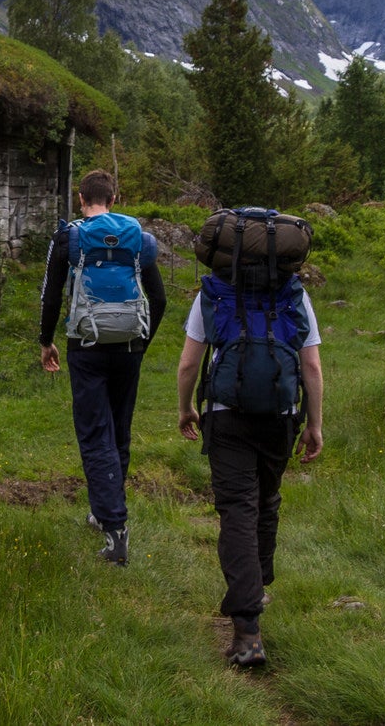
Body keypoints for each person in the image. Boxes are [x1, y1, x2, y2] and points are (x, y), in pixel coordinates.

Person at [175, 256, 324, 669]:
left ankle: (247, 630)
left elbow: (189, 363)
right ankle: (258, 585)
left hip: (226, 416)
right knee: (266, 499)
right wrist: (314, 424)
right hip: (280, 417)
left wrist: (186, 408)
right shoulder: (293, 292)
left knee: (238, 509)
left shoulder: (213, 291)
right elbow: (311, 364)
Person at [38, 169, 165, 566]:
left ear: (81, 199)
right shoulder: (137, 239)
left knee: (96, 434)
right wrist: (142, 343)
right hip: (129, 346)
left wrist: (46, 340)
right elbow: (159, 299)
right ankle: (104, 511)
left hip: (86, 347)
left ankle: (114, 529)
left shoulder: (69, 238)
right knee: (119, 430)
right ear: (113, 199)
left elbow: (50, 295)